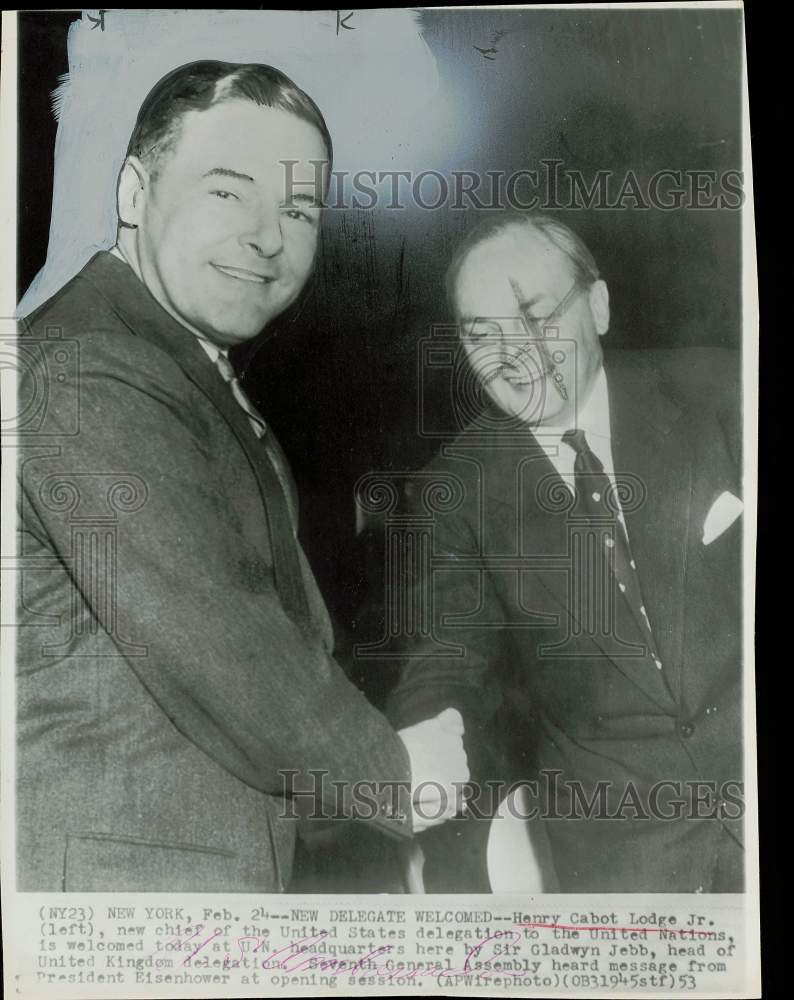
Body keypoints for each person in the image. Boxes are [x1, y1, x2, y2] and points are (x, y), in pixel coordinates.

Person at [15, 60, 468, 892]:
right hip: (128, 889)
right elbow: (213, 629)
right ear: (132, 193)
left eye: (298, 208)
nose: (269, 235)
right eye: (228, 191)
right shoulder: (91, 364)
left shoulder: (168, 358)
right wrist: (394, 774)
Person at [387, 213, 744, 892]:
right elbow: (445, 658)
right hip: (622, 857)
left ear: (598, 305)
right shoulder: (456, 490)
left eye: (533, 313)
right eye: (480, 333)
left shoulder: (723, 393)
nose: (513, 352)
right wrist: (426, 749)